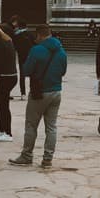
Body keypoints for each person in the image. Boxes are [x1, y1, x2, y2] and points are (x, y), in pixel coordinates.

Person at [9, 23, 68, 168]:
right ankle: (47, 159)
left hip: (39, 93)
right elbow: (63, 71)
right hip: (56, 91)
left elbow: (27, 70)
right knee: (51, 127)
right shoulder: (61, 51)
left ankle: (26, 155)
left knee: (31, 125)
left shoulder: (36, 50)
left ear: (40, 35)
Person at [10, 16, 35, 100]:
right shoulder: (31, 35)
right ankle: (33, 91)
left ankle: (23, 93)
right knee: (33, 75)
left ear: (19, 26)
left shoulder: (16, 36)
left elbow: (14, 47)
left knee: (22, 76)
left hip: (22, 58)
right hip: (31, 57)